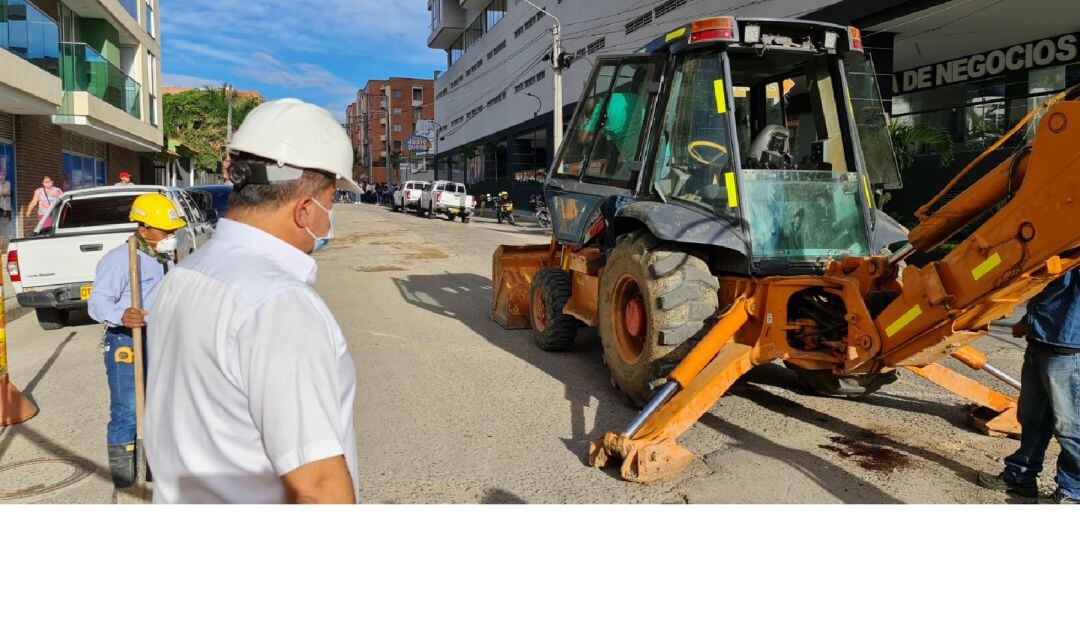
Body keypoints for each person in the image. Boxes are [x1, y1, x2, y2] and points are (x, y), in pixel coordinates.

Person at [144, 98, 361, 504]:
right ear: (305, 209)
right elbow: (317, 488)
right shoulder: (278, 304)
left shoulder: (187, 274)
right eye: (330, 204)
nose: (329, 219)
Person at [87, 193, 186, 488]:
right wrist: (122, 315)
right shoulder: (120, 259)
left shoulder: (165, 257)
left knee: (158, 406)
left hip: (158, 338)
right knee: (128, 410)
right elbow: (97, 304)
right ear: (143, 229)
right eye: (165, 230)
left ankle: (153, 469)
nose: (171, 236)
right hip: (126, 342)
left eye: (172, 230)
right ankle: (126, 481)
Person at [978, 268, 1080, 504]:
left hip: (1068, 350)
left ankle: (1074, 490)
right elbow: (1046, 288)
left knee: (1070, 427)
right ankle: (1021, 476)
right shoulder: (1057, 244)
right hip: (1038, 342)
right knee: (1031, 418)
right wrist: (1027, 321)